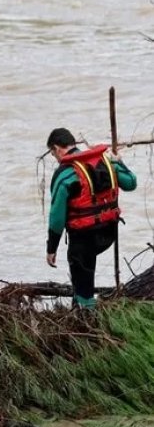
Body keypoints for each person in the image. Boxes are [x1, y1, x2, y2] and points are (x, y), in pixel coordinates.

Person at [45, 127, 137, 309]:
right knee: (84, 273)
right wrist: (119, 162)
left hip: (84, 237)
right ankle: (82, 304)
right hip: (109, 231)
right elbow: (131, 183)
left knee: (82, 279)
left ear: (56, 149)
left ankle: (87, 318)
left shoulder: (65, 174)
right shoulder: (105, 160)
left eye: (53, 154)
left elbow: (56, 217)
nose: (56, 159)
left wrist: (51, 248)